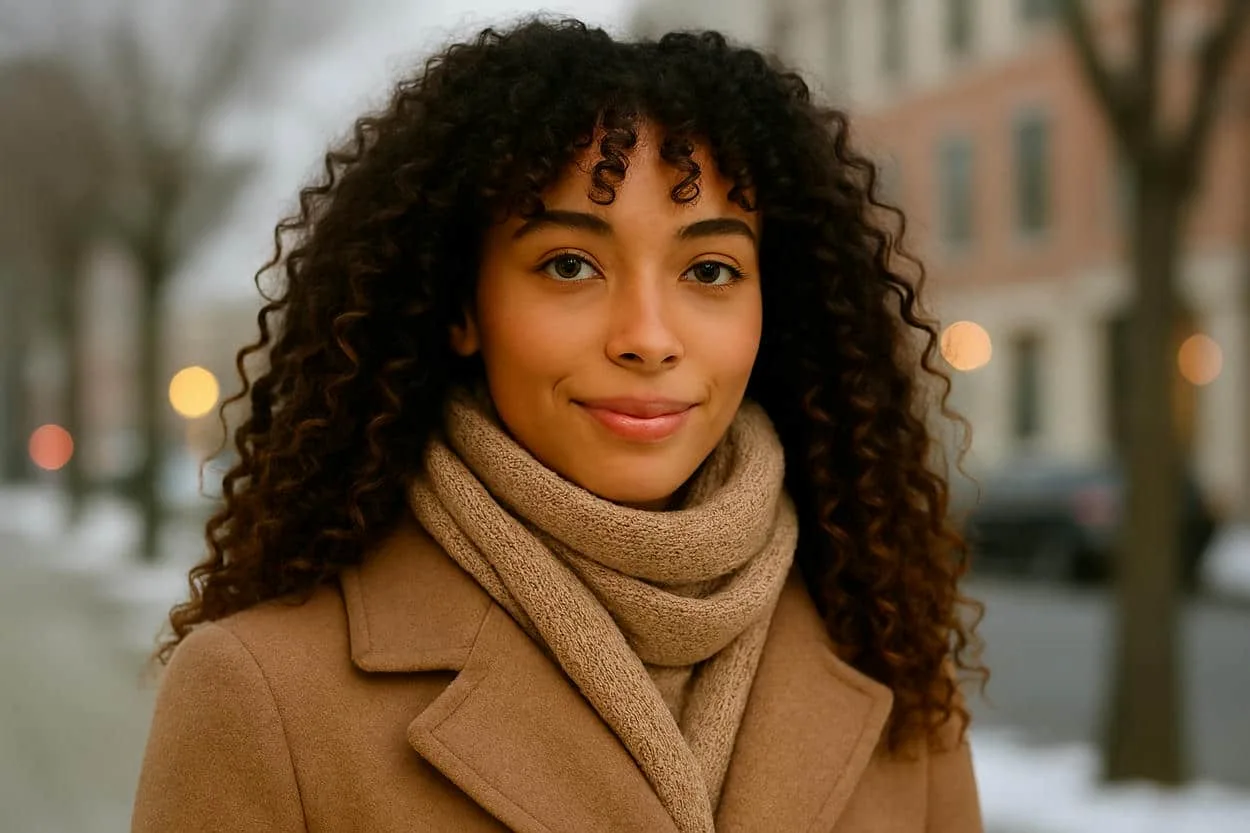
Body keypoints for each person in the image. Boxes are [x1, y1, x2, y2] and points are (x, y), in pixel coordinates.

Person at [131, 18, 986, 833]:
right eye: (570, 264)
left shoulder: (894, 671)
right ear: (463, 305)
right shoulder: (260, 694)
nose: (649, 337)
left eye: (711, 268)